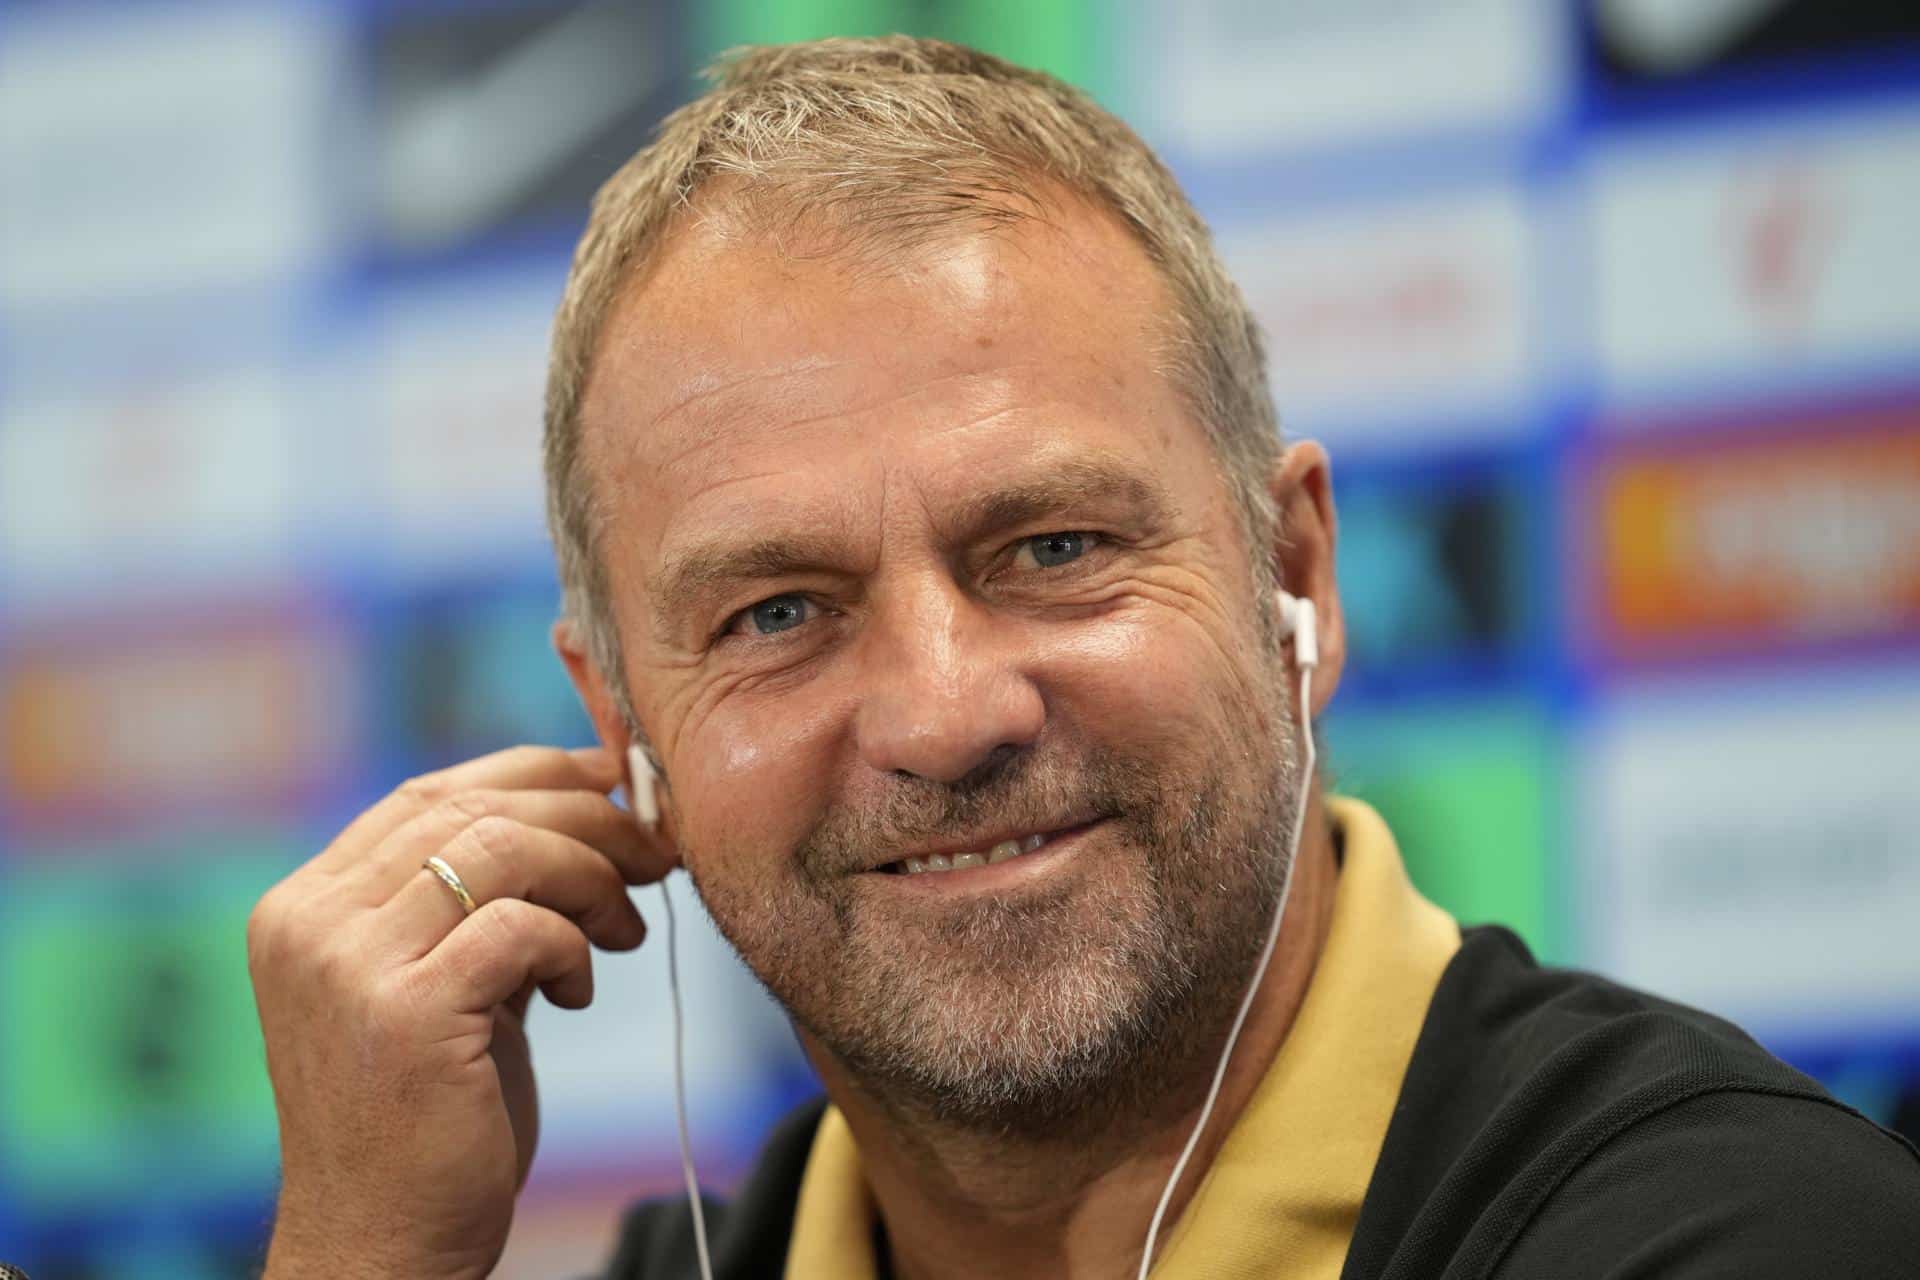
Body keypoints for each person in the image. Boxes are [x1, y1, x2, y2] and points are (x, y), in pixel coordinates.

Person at [245, 36, 1920, 1280]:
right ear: (626, 728)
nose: (944, 711)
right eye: (777, 613)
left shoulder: (1740, 1239)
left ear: (1300, 580)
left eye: (1052, 549)